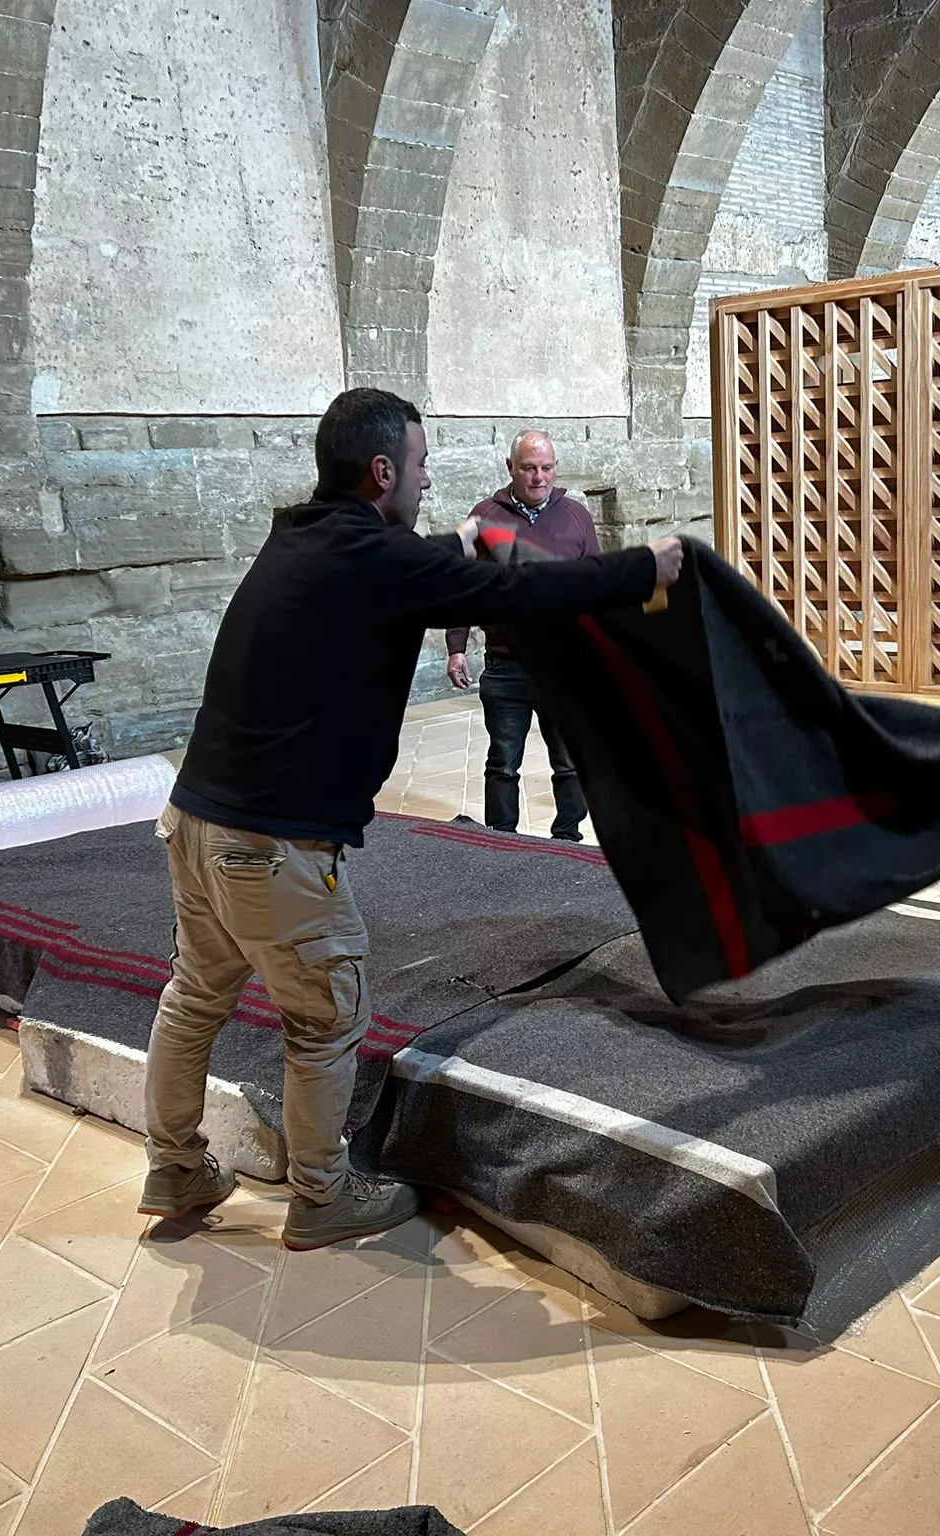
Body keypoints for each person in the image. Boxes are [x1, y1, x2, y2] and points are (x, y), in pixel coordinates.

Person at [140, 389, 682, 1248]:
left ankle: (174, 1163)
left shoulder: (310, 538)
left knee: (195, 997)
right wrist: (640, 569)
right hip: (271, 845)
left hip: (194, 822)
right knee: (325, 1018)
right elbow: (518, 593)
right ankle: (323, 1196)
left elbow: (409, 571)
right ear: (383, 470)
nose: (428, 484)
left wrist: (455, 545)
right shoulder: (371, 558)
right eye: (421, 468)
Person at [445, 430, 597, 841]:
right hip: (505, 665)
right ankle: (502, 840)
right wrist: (456, 649)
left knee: (568, 762)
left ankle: (567, 836)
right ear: (511, 468)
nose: (539, 477)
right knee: (503, 762)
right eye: (529, 468)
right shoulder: (484, 517)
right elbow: (461, 588)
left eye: (546, 468)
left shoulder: (576, 517)